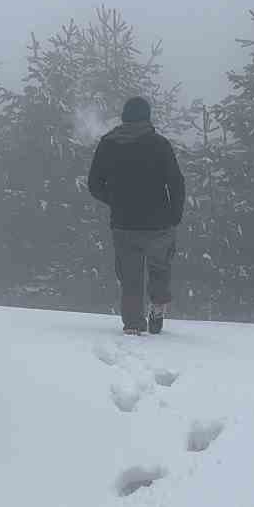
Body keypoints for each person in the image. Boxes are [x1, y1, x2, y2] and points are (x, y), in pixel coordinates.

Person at [87, 96, 185, 334]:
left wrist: (116, 201)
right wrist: (175, 214)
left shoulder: (108, 144)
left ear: (124, 117)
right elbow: (176, 182)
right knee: (160, 270)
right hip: (160, 223)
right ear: (147, 117)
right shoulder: (159, 144)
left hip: (124, 224)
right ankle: (157, 308)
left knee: (130, 277)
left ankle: (132, 325)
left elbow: (93, 184)